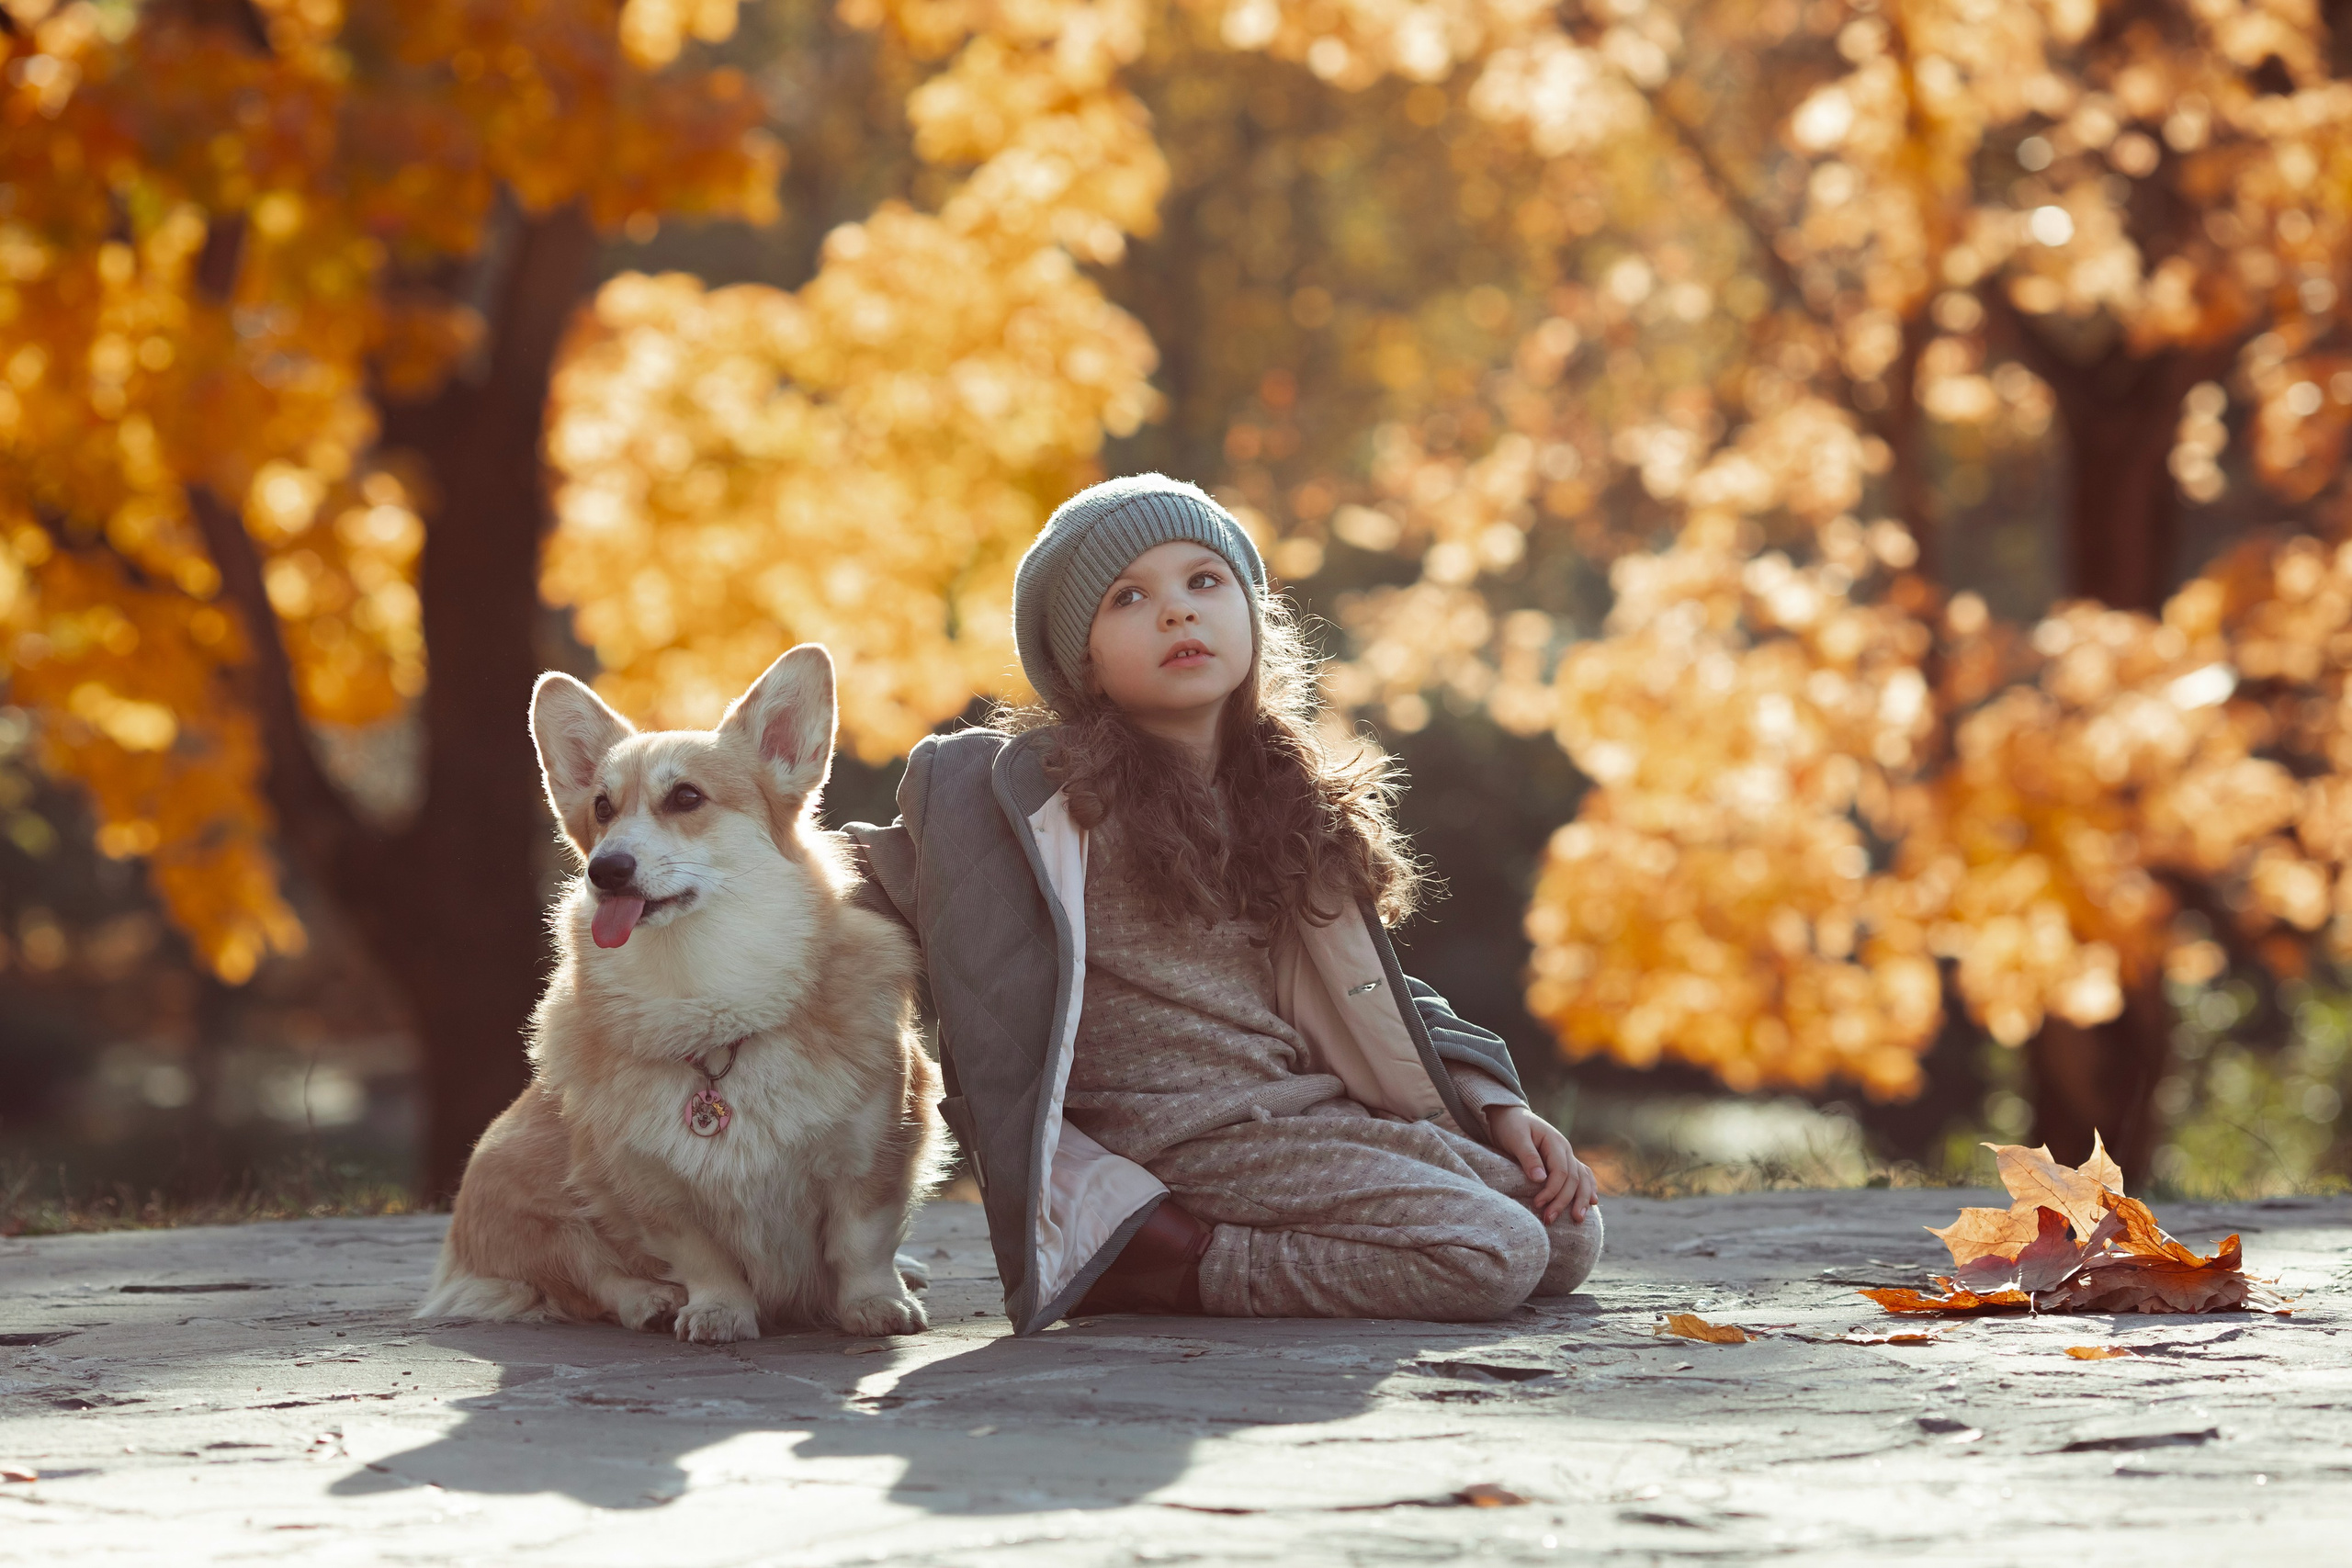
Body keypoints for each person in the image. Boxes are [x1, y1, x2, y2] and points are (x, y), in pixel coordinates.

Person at [846, 473, 1601, 1336]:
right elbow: (848, 877)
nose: (1177, 612)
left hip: (1290, 1109)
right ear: (1080, 661)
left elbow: (1377, 991)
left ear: (1252, 614)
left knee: (1566, 1234)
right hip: (1168, 1135)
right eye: (1129, 597)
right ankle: (1176, 1264)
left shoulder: (1283, 795)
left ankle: (1228, 1244)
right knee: (1492, 1252)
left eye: (1204, 582)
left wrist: (1496, 1102)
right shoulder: (1027, 803)